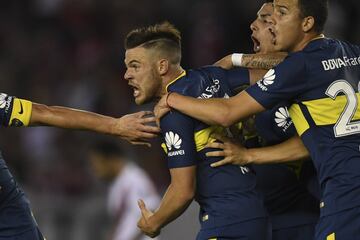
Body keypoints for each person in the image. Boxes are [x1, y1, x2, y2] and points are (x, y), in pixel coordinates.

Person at [155, 0, 360, 239]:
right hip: (310, 202)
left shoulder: (297, 68)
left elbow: (227, 113)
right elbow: (311, 138)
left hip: (341, 194)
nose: (272, 23)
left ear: (307, 23)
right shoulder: (352, 53)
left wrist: (172, 98)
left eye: (280, 14)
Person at [124, 22, 271, 239]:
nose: (127, 75)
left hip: (226, 221)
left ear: (162, 67)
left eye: (135, 66)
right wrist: (235, 60)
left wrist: (154, 221)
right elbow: (273, 76)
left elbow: (183, 190)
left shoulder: (172, 111)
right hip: (259, 211)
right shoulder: (213, 75)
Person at [208, 2, 320, 239]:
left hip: (305, 218)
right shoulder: (243, 85)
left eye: (265, 19)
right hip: (262, 220)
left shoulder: (307, 69)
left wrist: (235, 59)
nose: (253, 25)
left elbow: (293, 61)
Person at [0, 92, 160, 240]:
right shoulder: (120, 184)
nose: (94, 168)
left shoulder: (132, 179)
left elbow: (45, 113)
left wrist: (114, 125)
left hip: (12, 220)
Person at [89, 140, 161, 240]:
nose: (95, 170)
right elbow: (121, 220)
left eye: (97, 163)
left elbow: (151, 212)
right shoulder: (117, 183)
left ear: (111, 160)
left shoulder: (134, 179)